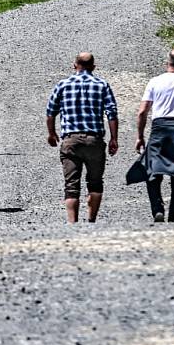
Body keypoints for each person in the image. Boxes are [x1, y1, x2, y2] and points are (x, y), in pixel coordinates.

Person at [46, 52, 119, 224]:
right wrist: (114, 138)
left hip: (71, 140)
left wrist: (51, 133)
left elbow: (50, 112)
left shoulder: (63, 85)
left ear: (74, 65)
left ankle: (73, 224)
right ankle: (91, 221)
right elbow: (112, 114)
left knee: (71, 185)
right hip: (94, 140)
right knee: (95, 182)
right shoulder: (102, 85)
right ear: (93, 66)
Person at [135, 49, 174, 222]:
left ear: (167, 63)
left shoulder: (155, 82)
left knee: (152, 170)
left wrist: (140, 136)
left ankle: (157, 208)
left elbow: (142, 112)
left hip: (160, 128)